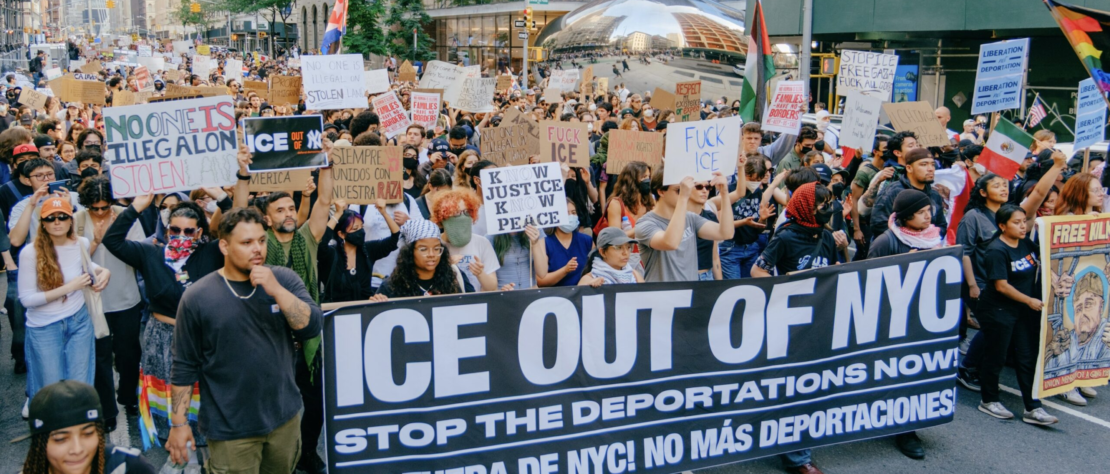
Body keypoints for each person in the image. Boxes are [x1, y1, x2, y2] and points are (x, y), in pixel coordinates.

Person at [167, 207, 322, 471]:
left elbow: (311, 326)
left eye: (261, 241)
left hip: (284, 420)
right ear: (225, 246)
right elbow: (183, 366)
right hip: (230, 430)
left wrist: (275, 290)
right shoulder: (198, 297)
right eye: (247, 243)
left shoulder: (282, 279)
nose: (257, 249)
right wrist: (179, 424)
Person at [102, 194, 226, 448]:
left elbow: (238, 225)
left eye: (188, 230)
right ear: (167, 230)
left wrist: (222, 196)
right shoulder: (150, 253)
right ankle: (173, 442)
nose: (181, 234)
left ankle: (204, 441)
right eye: (175, 229)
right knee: (169, 391)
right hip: (162, 336)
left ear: (199, 231)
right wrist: (137, 207)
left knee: (203, 390)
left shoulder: (212, 253)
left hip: (203, 336)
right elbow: (112, 241)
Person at [750, 182, 837, 474]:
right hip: (788, 324)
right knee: (793, 387)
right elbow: (757, 271)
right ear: (804, 207)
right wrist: (788, 285)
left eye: (830, 203)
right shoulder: (785, 237)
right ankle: (798, 458)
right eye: (822, 204)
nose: (828, 209)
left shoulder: (825, 237)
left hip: (818, 321)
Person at [975, 204, 1059, 426]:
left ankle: (1033, 407)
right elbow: (1001, 286)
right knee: (996, 356)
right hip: (998, 310)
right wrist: (1029, 300)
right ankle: (989, 399)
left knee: (1026, 357)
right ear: (1002, 226)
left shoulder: (1026, 243)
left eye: (1024, 221)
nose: (1023, 226)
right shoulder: (996, 250)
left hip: (1021, 310)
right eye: (1016, 222)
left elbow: (1048, 258)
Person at [18, 197, 110, 401]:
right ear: (43, 223)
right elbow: (27, 299)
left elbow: (83, 267)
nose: (57, 222)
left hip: (79, 321)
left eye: (62, 217)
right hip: (44, 327)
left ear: (71, 220)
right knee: (51, 390)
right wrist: (69, 288)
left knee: (80, 385)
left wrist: (103, 271)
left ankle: (78, 428)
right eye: (50, 218)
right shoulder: (29, 253)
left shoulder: (81, 244)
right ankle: (53, 430)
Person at [75, 176, 146, 425]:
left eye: (105, 206)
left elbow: (139, 254)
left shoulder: (125, 215)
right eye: (95, 208)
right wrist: (95, 241)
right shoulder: (77, 221)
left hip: (126, 297)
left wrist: (117, 236)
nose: (101, 212)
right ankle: (107, 411)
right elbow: (74, 262)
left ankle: (129, 397)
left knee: (128, 354)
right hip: (92, 302)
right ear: (86, 205)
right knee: (100, 356)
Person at [22, 380, 156, 474]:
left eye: (88, 433)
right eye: (61, 439)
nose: (77, 449)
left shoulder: (128, 467)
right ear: (39, 445)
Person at [635, 167, 734, 282]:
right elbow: (670, 243)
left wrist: (725, 193)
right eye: (679, 190)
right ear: (661, 191)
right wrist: (683, 198)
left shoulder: (690, 217)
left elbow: (726, 233)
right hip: (661, 296)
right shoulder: (645, 223)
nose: (687, 193)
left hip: (689, 294)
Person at [321, 202, 400, 303]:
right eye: (355, 229)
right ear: (341, 234)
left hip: (364, 312)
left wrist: (384, 213)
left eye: (361, 227)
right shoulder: (331, 254)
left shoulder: (368, 250)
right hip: (337, 313)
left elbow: (394, 239)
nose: (360, 232)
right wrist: (337, 214)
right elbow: (321, 243)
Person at [378, 219, 476, 297]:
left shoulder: (455, 277)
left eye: (437, 248)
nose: (431, 254)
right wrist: (379, 302)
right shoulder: (391, 286)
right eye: (424, 249)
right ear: (410, 252)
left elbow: (474, 307)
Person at [432, 189, 499, 291]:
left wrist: (480, 274)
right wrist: (445, 267)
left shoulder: (482, 243)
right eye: (456, 213)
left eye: (467, 212)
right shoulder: (434, 246)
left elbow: (492, 287)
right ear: (443, 217)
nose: (462, 217)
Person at [870, 148, 946, 236]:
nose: (930, 169)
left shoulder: (934, 195)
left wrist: (928, 238)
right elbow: (879, 224)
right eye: (924, 164)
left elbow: (941, 225)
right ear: (909, 168)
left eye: (933, 164)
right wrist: (909, 240)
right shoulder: (894, 191)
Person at [537, 199, 593, 287]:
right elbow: (540, 281)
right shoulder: (545, 243)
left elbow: (597, 268)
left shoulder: (586, 241)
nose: (571, 216)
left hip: (582, 294)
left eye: (573, 213)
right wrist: (565, 270)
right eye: (566, 213)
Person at [578, 227, 645, 286]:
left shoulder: (634, 275)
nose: (626, 252)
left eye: (628, 247)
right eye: (618, 247)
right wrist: (589, 288)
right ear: (602, 252)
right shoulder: (589, 279)